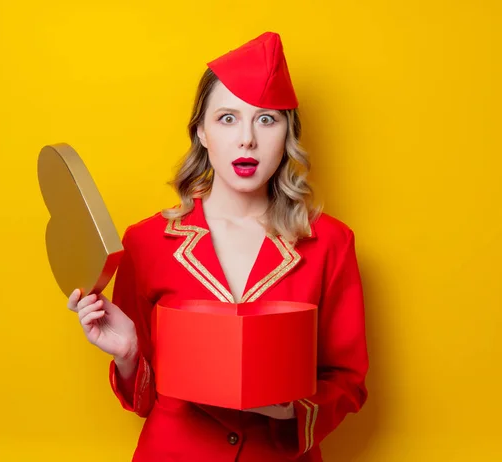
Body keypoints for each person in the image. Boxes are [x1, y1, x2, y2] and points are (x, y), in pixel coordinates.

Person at [67, 31, 369, 462]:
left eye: (266, 119)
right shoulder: (146, 241)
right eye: (227, 118)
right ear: (202, 133)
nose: (247, 138)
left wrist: (288, 411)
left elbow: (348, 380)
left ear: (287, 134)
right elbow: (144, 399)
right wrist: (130, 354)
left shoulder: (331, 243)